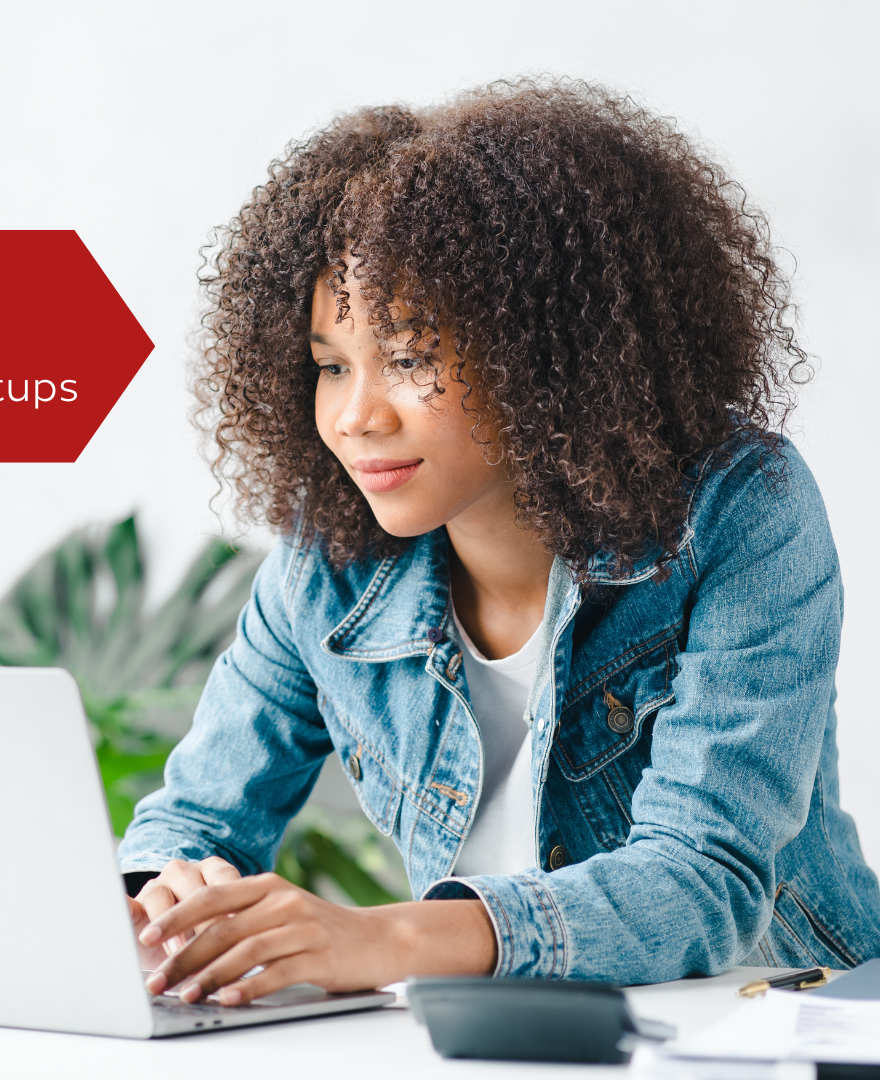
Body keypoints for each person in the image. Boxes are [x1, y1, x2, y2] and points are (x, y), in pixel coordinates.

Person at [118, 78, 880, 1005]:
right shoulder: (328, 561)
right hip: (495, 1040)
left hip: (775, 1018)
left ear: (546, 353)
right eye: (329, 365)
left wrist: (380, 939)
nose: (356, 417)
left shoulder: (735, 509)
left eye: (409, 359)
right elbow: (197, 821)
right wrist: (164, 899)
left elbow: (701, 880)